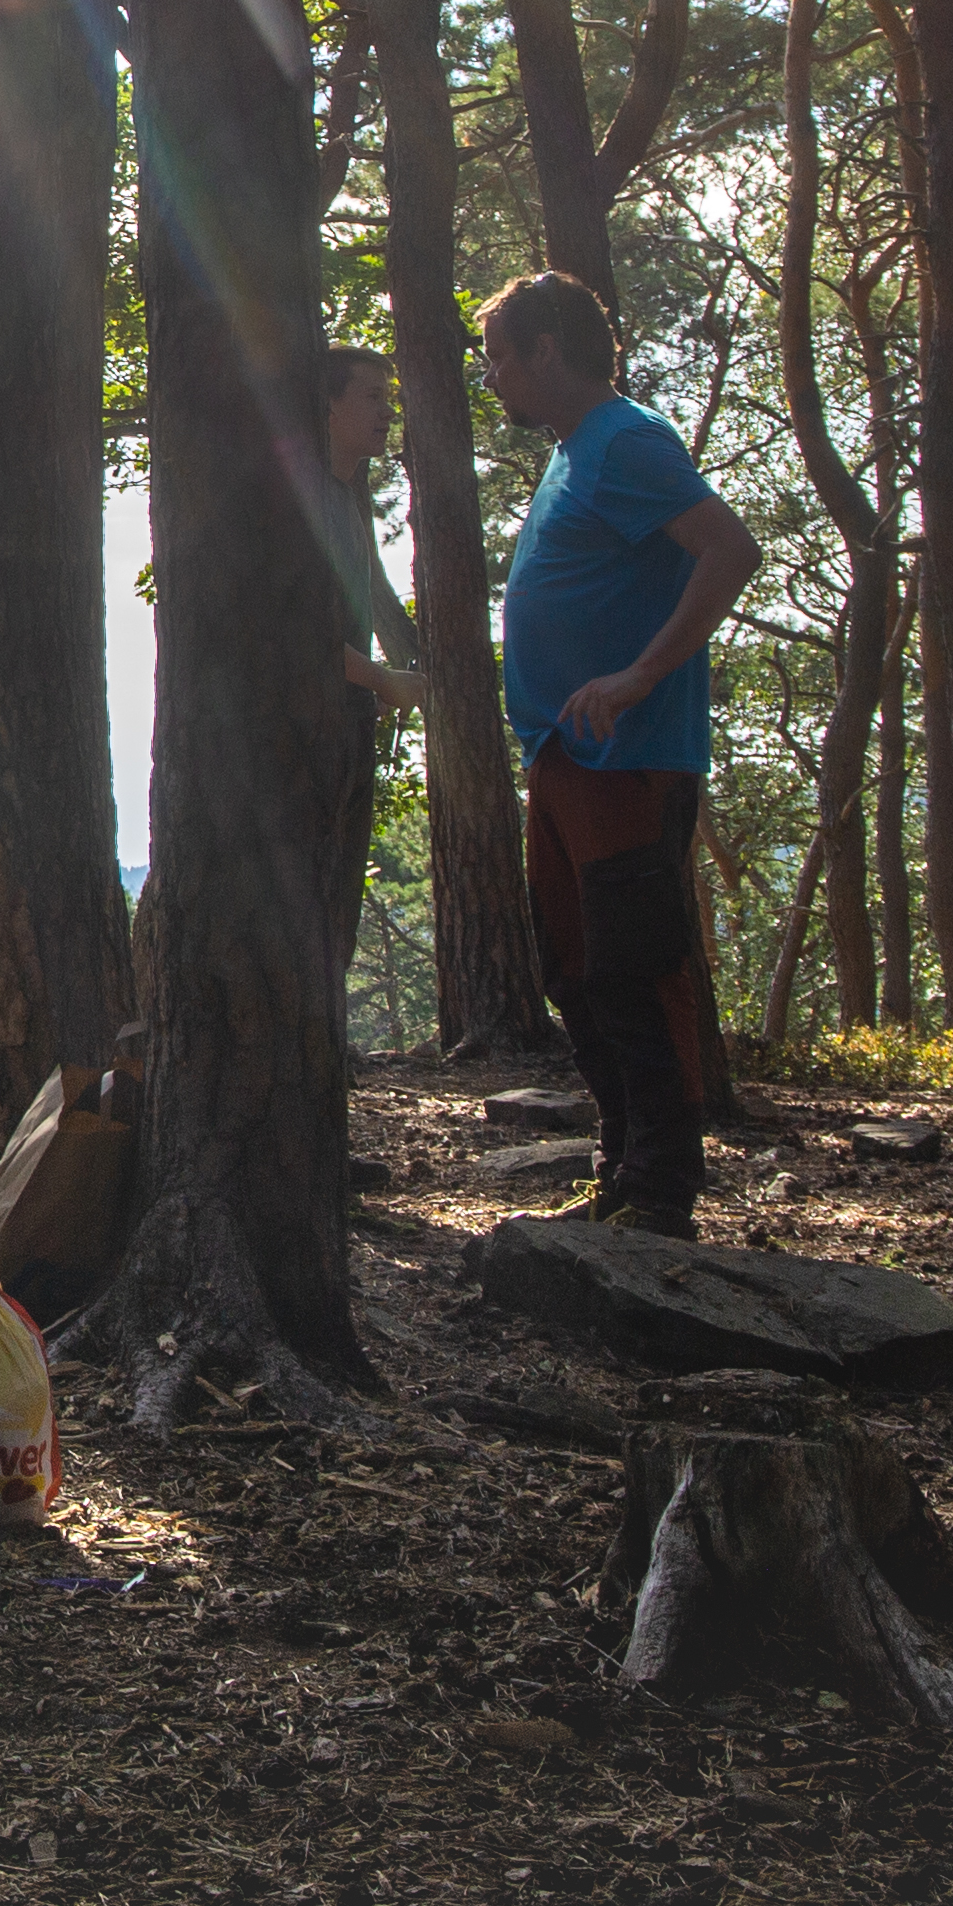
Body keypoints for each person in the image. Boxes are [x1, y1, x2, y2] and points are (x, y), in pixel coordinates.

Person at [479, 271, 756, 1236]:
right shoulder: (575, 452)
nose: (495, 377)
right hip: (565, 755)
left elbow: (730, 549)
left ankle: (662, 1191)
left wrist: (639, 676)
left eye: (502, 356)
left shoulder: (628, 439)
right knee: (577, 969)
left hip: (628, 755)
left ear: (550, 346)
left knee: (636, 965)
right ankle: (622, 1165)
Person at [301, 341, 436, 714]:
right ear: (329, 404)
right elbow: (300, 628)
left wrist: (367, 701)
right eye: (373, 397)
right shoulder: (304, 502)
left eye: (387, 398)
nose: (389, 412)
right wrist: (382, 679)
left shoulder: (341, 502)